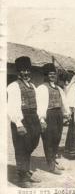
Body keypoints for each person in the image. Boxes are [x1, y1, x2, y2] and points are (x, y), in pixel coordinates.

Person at [7, 56, 42, 187]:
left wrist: (40, 120)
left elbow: (37, 104)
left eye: (28, 70)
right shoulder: (13, 86)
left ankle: (25, 171)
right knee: (21, 147)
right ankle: (22, 177)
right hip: (22, 118)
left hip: (33, 118)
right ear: (18, 72)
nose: (26, 73)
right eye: (23, 71)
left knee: (31, 145)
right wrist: (18, 123)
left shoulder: (33, 86)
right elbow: (12, 106)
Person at [36, 63, 70, 175]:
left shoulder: (59, 88)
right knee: (48, 140)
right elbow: (40, 105)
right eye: (50, 74)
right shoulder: (42, 88)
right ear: (46, 75)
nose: (52, 76)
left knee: (57, 138)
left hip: (58, 115)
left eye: (54, 74)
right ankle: (50, 166)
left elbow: (64, 102)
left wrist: (66, 113)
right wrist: (41, 119)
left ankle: (53, 160)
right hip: (48, 115)